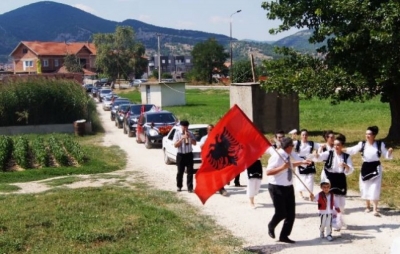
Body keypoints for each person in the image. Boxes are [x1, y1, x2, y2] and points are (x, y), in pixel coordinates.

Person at [266, 137, 311, 244]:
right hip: (277, 187)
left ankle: (284, 236)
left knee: (291, 214)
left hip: (288, 187)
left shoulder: (286, 155)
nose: (293, 148)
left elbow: (289, 165)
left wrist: (302, 163)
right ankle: (271, 225)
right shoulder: (277, 156)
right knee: (281, 213)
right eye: (292, 146)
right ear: (288, 147)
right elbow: (268, 172)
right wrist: (282, 167)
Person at [344, 126, 393, 216]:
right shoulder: (362, 144)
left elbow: (386, 154)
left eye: (369, 134)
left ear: (374, 135)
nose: (367, 136)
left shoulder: (379, 144)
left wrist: (389, 152)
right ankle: (367, 206)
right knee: (365, 186)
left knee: (375, 187)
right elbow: (353, 150)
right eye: (366, 134)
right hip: (366, 166)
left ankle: (375, 209)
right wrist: (343, 149)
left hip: (376, 167)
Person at [313, 134, 353, 230]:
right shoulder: (329, 153)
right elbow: (319, 157)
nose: (336, 147)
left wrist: (345, 166)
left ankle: (339, 219)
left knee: (341, 204)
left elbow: (351, 169)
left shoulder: (346, 156)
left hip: (340, 179)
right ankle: (334, 222)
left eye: (338, 145)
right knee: (332, 202)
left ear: (342, 146)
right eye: (334, 145)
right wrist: (317, 154)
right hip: (330, 179)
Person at [199, 124, 228, 196]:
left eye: (212, 129)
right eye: (210, 130)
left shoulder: (217, 138)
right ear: (207, 130)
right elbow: (201, 147)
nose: (211, 131)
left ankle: (221, 189)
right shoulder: (204, 138)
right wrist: (208, 140)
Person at [293, 129, 321, 199]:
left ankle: (310, 193)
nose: (304, 136)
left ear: (307, 135)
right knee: (300, 177)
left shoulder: (311, 143)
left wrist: (316, 152)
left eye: (306, 135)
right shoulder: (297, 143)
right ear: (301, 136)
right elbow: (287, 144)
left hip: (309, 161)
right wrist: (292, 137)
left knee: (310, 178)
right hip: (300, 161)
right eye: (303, 135)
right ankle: (300, 192)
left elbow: (321, 146)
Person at [173, 120, 197, 193]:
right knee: (180, 172)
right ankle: (179, 186)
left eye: (186, 127)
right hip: (181, 155)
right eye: (184, 127)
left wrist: (189, 138)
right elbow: (175, 145)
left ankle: (190, 188)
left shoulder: (191, 133)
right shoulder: (177, 133)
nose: (185, 128)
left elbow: (195, 143)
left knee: (190, 172)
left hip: (189, 154)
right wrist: (182, 138)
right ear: (181, 126)